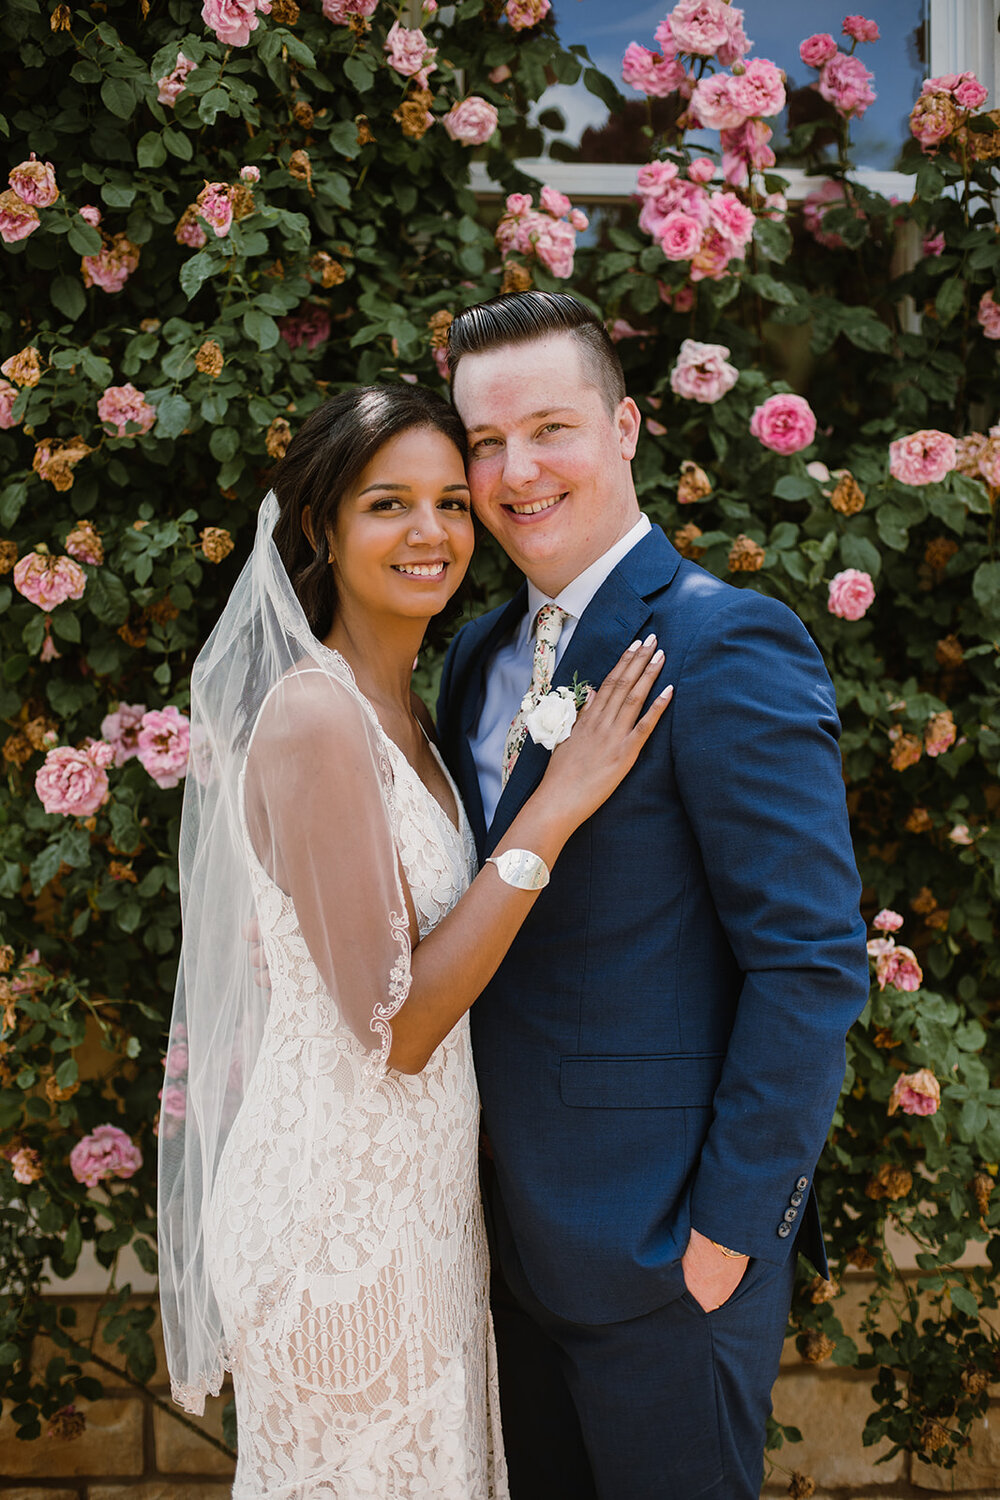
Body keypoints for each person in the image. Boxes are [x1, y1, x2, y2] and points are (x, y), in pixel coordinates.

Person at [157, 383, 673, 1499]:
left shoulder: (414, 713)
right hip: (341, 1221)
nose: (430, 533)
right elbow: (394, 1029)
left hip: (422, 1203)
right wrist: (555, 802)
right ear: (320, 530)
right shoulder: (313, 715)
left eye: (449, 501)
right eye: (389, 504)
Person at [435, 291, 871, 1500]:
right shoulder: (472, 654)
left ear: (626, 428)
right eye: (483, 441)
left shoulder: (728, 644)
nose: (515, 470)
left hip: (666, 1263)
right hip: (499, 1251)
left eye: (550, 429)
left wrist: (727, 1238)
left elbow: (810, 963)